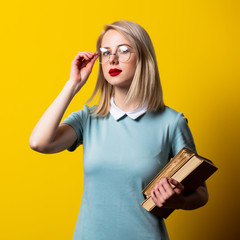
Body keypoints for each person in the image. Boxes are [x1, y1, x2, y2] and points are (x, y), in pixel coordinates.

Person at [29, 20, 209, 240]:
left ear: (143, 58)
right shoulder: (88, 118)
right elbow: (39, 143)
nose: (112, 59)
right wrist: (73, 84)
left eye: (124, 51)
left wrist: (177, 201)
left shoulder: (171, 122)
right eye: (105, 53)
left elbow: (201, 193)